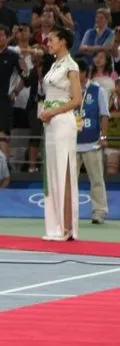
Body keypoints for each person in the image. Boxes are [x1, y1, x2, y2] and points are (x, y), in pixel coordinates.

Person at [38, 27, 82, 242]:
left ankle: (67, 228)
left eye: (52, 39)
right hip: (51, 121)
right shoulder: (54, 64)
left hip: (63, 121)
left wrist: (52, 111)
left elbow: (76, 100)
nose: (48, 42)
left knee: (64, 171)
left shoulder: (71, 66)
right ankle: (56, 226)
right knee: (53, 172)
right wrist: (45, 112)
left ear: (63, 42)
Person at [75, 59, 110, 225]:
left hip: (92, 142)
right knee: (69, 182)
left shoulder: (97, 90)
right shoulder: (68, 91)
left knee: (96, 179)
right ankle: (69, 213)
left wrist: (103, 137)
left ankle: (99, 212)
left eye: (76, 72)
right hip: (71, 143)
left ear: (83, 73)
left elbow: (104, 115)